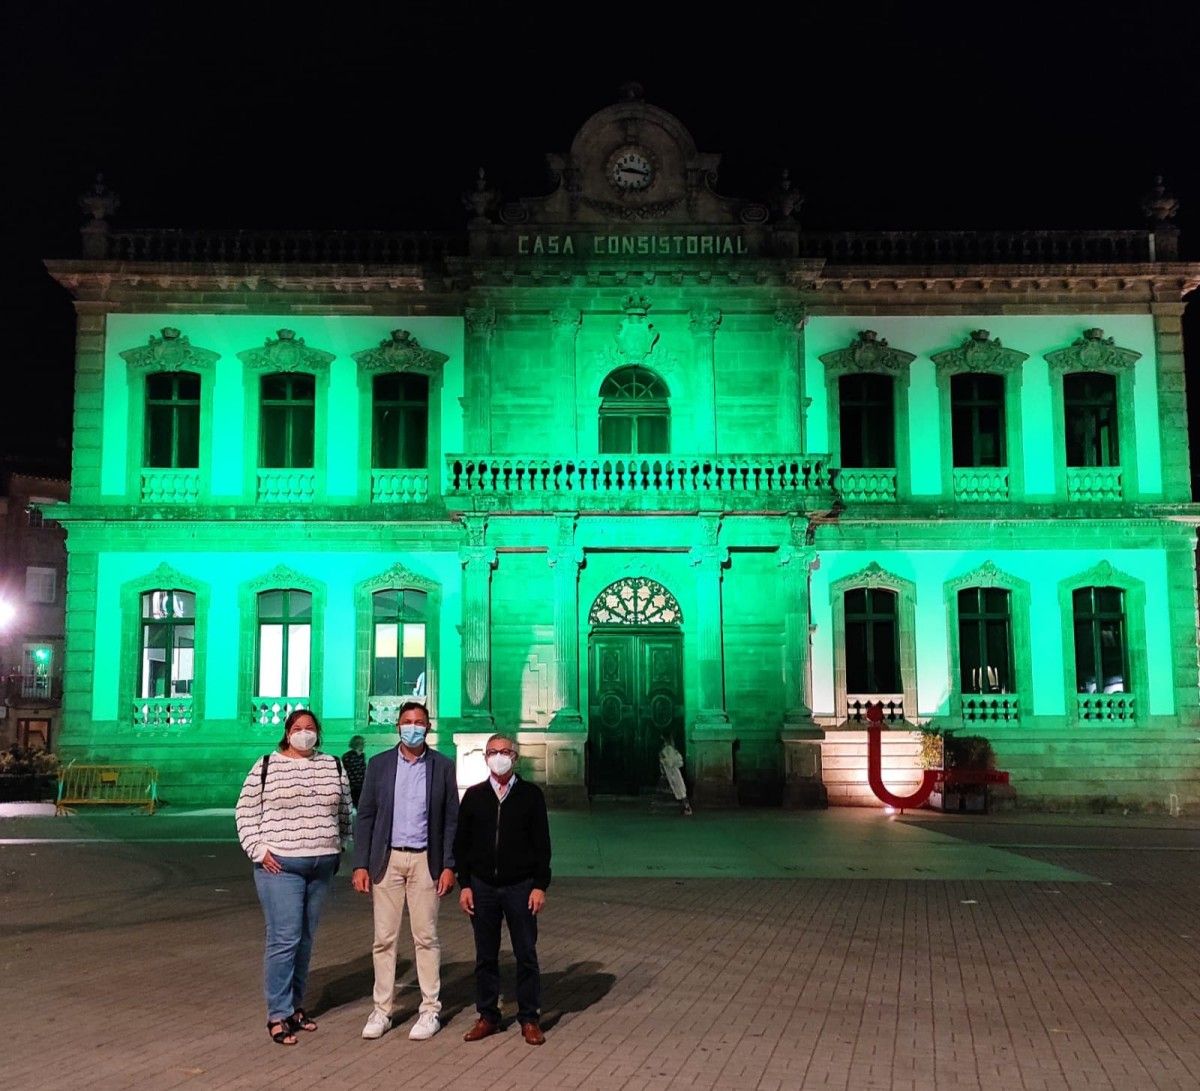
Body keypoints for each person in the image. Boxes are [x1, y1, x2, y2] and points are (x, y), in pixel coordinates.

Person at [235, 709, 351, 1046]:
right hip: (280, 865)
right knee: (284, 938)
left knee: (305, 939)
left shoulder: (333, 765)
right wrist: (258, 850)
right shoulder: (266, 766)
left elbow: (344, 810)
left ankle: (296, 1006)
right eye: (298, 728)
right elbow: (245, 812)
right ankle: (278, 1013)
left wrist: (339, 844)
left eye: (310, 728)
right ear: (287, 733)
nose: (304, 734)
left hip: (321, 863)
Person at [352, 701, 458, 1041]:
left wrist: (449, 866)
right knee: (384, 939)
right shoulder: (379, 765)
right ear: (397, 726)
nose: (412, 727)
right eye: (407, 721)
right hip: (388, 861)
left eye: (419, 722)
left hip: (427, 862)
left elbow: (451, 818)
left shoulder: (442, 766)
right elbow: (365, 815)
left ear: (428, 727)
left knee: (425, 937)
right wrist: (360, 864)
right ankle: (382, 1010)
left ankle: (430, 1010)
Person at [455, 733, 552, 1046]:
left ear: (516, 757)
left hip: (520, 886)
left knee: (526, 953)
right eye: (493, 752)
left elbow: (542, 845)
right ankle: (487, 1015)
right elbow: (462, 845)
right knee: (485, 954)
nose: (499, 757)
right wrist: (465, 884)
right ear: (486, 758)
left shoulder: (531, 795)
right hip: (482, 886)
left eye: (505, 752)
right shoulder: (474, 796)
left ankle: (529, 1018)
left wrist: (539, 885)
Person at [658, 736, 693, 816]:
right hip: (673, 772)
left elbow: (669, 762)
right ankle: (685, 807)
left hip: (673, 773)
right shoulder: (672, 749)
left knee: (680, 790)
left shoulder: (667, 749)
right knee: (680, 790)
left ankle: (687, 807)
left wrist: (663, 759)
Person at [342, 734, 366, 809]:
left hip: (360, 786)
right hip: (352, 786)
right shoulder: (347, 756)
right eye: (363, 743)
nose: (364, 745)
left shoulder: (361, 756)